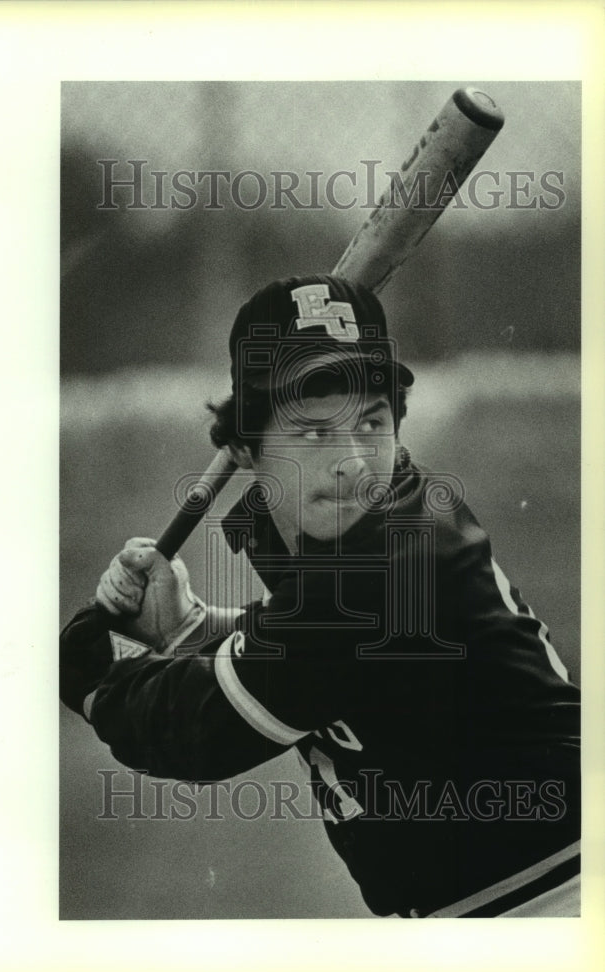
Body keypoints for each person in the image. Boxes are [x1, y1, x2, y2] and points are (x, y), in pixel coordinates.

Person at [60, 274, 580, 918]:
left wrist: (91, 670)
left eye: (371, 420)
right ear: (247, 449)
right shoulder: (377, 536)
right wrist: (190, 629)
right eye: (312, 432)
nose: (355, 460)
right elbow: (302, 649)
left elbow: (196, 729)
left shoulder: (386, 565)